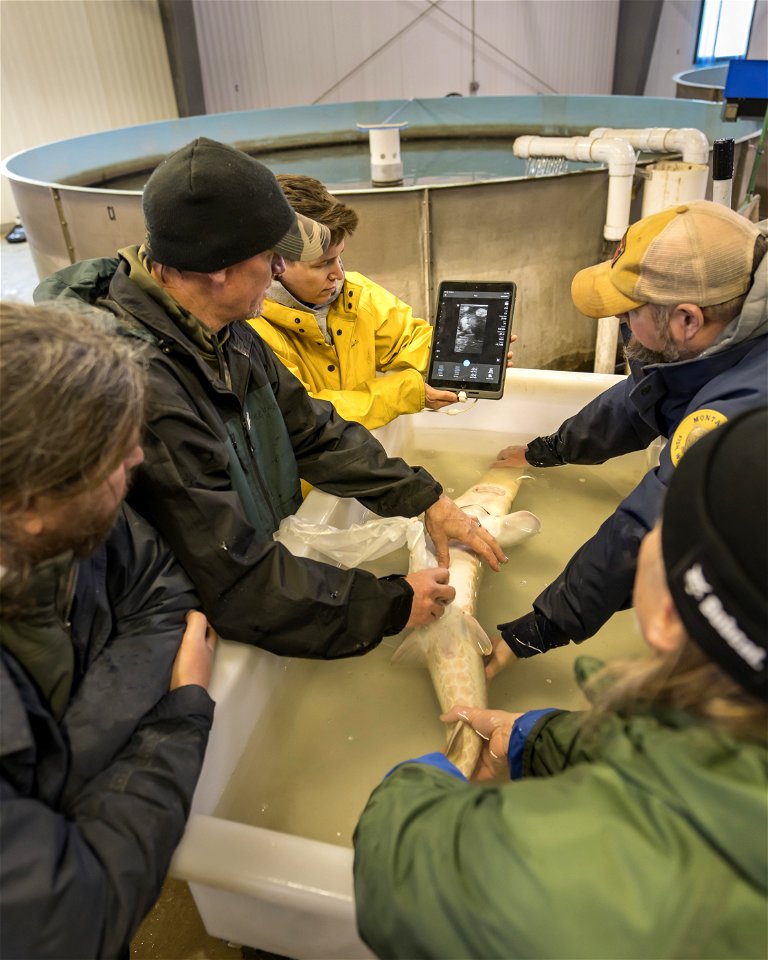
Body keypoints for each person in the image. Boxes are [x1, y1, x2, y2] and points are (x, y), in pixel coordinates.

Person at [35, 137, 504, 662]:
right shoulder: (142, 384)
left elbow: (310, 430)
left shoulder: (222, 327)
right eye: (268, 257)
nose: (280, 271)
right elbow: (232, 575)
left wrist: (426, 499)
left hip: (262, 566)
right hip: (185, 629)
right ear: (218, 267)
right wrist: (391, 602)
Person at [353, 406, 768, 960]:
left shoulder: (593, 879)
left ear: (668, 615)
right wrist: (536, 738)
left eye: (657, 526)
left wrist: (443, 772)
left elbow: (400, 858)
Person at [0, 301, 217, 959]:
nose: (139, 458)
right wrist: (177, 719)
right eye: (116, 462)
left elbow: (160, 593)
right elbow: (76, 916)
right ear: (28, 506)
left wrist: (61, 779)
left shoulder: (69, 527)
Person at [488, 200, 767, 671]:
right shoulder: (718, 338)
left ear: (687, 320)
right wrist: (546, 451)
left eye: (627, 315)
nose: (618, 324)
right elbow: (643, 396)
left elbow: (653, 525)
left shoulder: (740, 412)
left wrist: (539, 630)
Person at [249, 173, 463, 429]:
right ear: (276, 263)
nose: (339, 274)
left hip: (358, 450)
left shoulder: (355, 293)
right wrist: (408, 393)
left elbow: (406, 341)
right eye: (323, 263)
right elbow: (307, 413)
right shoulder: (253, 331)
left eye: (339, 257)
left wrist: (461, 351)